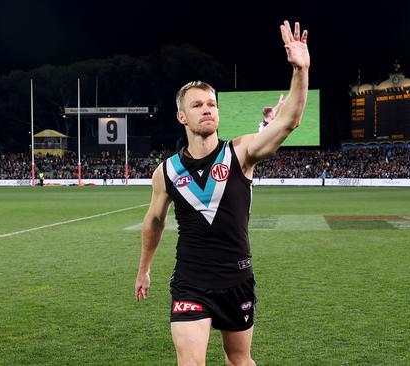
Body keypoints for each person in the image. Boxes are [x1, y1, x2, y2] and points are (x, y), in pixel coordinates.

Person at [135, 20, 309, 366]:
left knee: (239, 360)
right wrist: (144, 269)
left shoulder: (241, 153)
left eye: (211, 104)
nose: (207, 109)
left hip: (237, 278)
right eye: (198, 105)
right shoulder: (166, 171)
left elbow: (288, 121)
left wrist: (300, 71)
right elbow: (154, 221)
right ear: (181, 116)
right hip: (190, 281)